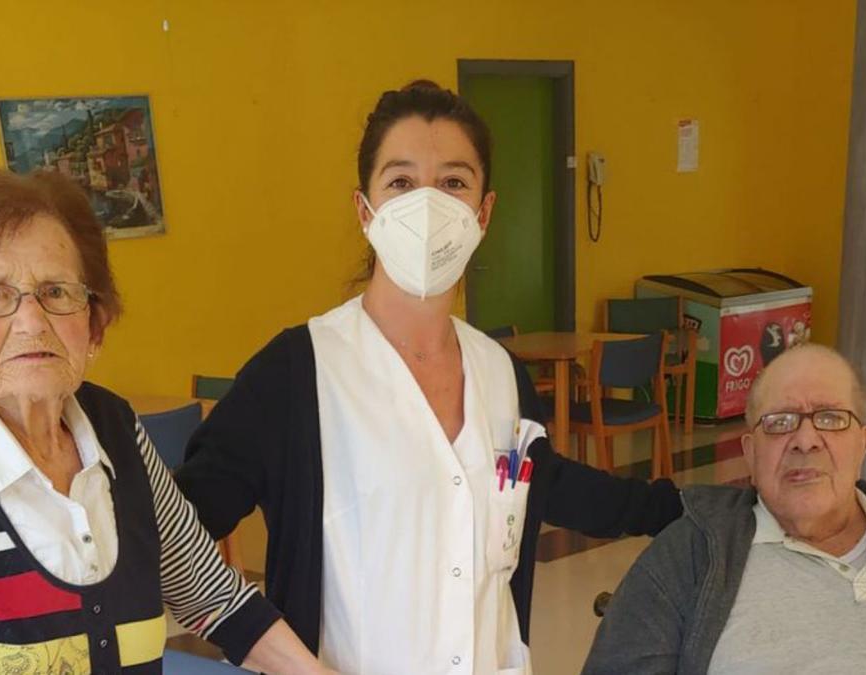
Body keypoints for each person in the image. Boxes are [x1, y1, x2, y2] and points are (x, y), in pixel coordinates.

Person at [176, 80, 683, 674]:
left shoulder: (499, 370)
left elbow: (542, 483)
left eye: (452, 183)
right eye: (400, 182)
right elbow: (176, 533)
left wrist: (682, 509)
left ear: (483, 211)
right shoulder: (295, 375)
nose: (427, 205)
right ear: (364, 211)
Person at [0, 169, 327, 674]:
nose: (30, 321)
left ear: (96, 324)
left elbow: (214, 598)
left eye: (57, 292)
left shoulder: (117, 429)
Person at [582, 343, 866, 674]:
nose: (806, 438)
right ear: (750, 454)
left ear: (863, 444)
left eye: (831, 418)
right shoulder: (688, 558)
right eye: (780, 423)